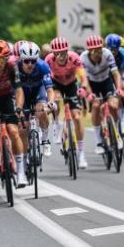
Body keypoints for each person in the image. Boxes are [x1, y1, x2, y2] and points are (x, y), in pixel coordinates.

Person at [0, 40, 26, 187]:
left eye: (2, 59)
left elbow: (19, 90)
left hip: (7, 98)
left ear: (7, 58)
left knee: (14, 131)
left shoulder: (12, 67)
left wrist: (19, 108)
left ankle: (21, 172)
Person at [45, 37, 90, 168]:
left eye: (63, 53)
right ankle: (56, 125)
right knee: (56, 101)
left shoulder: (74, 58)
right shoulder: (48, 60)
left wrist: (83, 88)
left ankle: (81, 153)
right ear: (53, 53)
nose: (60, 56)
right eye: (57, 53)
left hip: (71, 85)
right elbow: (45, 80)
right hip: (56, 84)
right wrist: (50, 95)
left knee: (77, 116)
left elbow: (83, 77)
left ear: (67, 51)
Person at [80, 35, 124, 155]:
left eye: (99, 50)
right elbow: (84, 79)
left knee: (113, 105)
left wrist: (119, 89)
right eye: (94, 51)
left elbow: (116, 74)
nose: (97, 53)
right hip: (92, 84)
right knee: (95, 106)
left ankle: (116, 133)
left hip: (106, 81)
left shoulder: (107, 54)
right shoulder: (83, 58)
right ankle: (99, 142)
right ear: (89, 51)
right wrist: (89, 94)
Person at [14, 42, 56, 162]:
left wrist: (51, 102)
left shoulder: (43, 66)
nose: (30, 64)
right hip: (23, 95)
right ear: (21, 59)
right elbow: (14, 91)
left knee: (42, 111)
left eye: (33, 61)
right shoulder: (15, 68)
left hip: (38, 91)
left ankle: (45, 140)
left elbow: (49, 89)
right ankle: (25, 155)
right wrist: (17, 107)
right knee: (23, 127)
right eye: (27, 61)